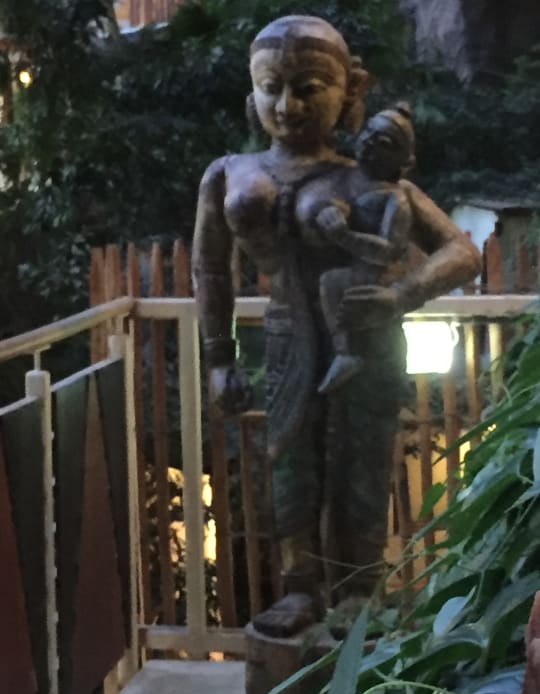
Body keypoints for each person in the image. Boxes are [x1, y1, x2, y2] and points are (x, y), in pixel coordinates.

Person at [192, 15, 482, 638]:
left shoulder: (366, 178)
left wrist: (401, 294)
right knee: (288, 457)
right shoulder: (229, 172)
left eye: (308, 88)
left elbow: (461, 251)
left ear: (351, 90)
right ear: (251, 92)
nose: (287, 106)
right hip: (286, 331)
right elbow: (210, 268)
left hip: (366, 334)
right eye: (271, 87)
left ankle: (359, 588)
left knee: (363, 460)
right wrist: (218, 357)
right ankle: (299, 586)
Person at [316, 103, 416, 394]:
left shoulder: (396, 199)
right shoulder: (346, 177)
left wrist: (345, 237)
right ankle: (343, 351)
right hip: (352, 274)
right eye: (368, 132)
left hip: (375, 278)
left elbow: (389, 249)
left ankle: (345, 351)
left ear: (403, 160)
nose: (370, 143)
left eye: (383, 142)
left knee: (332, 283)